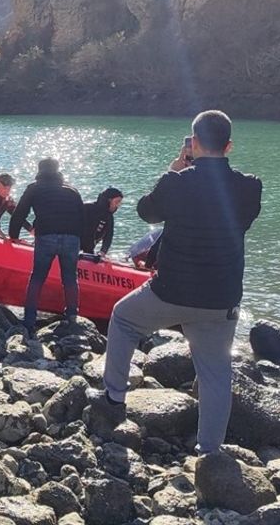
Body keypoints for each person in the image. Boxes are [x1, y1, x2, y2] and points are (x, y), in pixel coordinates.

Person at [96, 110, 263, 455]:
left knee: (123, 318)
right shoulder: (250, 187)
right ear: (229, 145)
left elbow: (147, 213)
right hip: (221, 298)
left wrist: (174, 171)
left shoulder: (177, 182)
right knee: (216, 371)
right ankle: (209, 452)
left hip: (170, 292)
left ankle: (114, 399)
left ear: (194, 143)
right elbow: (242, 221)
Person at [11, 158, 84, 337]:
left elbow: (20, 212)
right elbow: (82, 217)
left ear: (39, 170)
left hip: (46, 235)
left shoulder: (34, 188)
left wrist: (13, 236)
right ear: (58, 170)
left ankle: (29, 321)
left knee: (37, 277)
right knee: (69, 278)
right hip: (71, 237)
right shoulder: (72, 190)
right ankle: (72, 315)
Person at [81, 187, 124, 257]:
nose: (118, 206)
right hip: (74, 245)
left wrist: (102, 252)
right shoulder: (87, 208)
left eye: (119, 203)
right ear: (109, 200)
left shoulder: (109, 217)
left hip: (89, 249)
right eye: (116, 202)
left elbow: (108, 237)